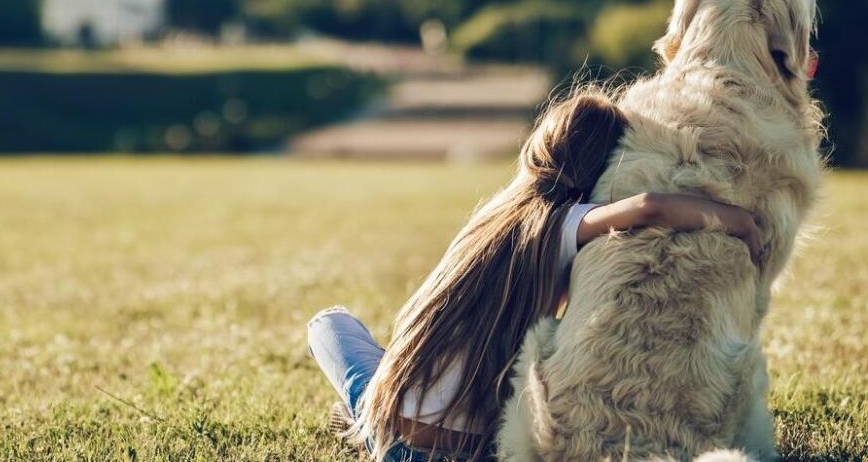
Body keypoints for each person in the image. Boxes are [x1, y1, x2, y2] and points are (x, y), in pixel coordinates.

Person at [307, 89, 763, 461]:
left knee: (330, 324)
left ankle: (361, 414)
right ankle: (365, 410)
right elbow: (649, 206)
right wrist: (742, 222)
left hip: (393, 439)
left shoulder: (495, 216)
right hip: (474, 452)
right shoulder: (564, 224)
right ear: (602, 163)